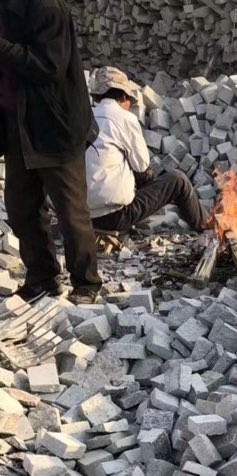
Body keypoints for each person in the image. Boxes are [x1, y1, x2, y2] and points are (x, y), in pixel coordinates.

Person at [0, 0, 101, 303]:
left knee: (71, 211)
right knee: (22, 208)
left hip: (55, 126)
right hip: (18, 127)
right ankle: (42, 279)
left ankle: (86, 284)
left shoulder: (47, 7)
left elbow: (49, 66)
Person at [86, 67, 207, 234]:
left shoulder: (85, 118)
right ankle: (207, 226)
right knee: (178, 180)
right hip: (114, 216)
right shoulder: (125, 118)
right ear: (124, 97)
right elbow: (142, 167)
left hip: (79, 214)